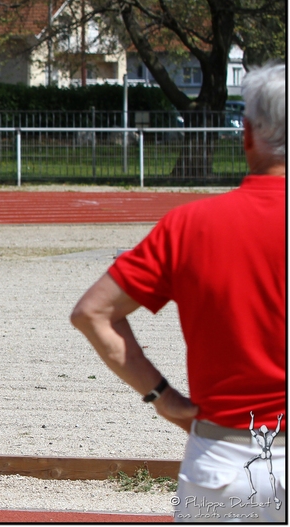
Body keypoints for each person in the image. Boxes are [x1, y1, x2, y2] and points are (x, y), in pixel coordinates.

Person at [70, 63, 286, 522]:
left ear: (247, 134)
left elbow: (93, 313)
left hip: (225, 460)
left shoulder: (191, 226)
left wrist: (163, 398)